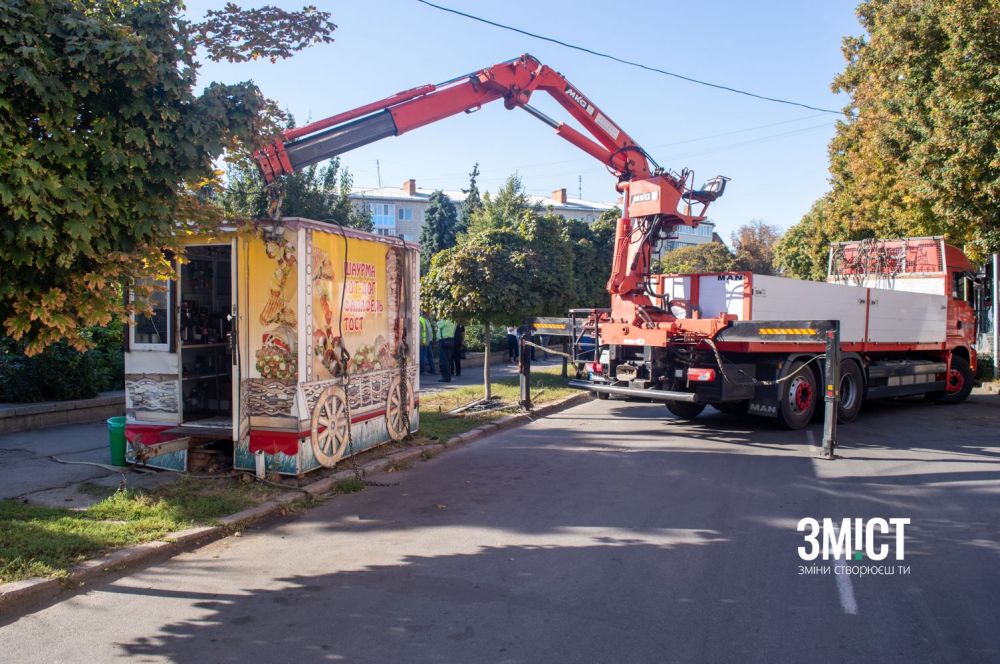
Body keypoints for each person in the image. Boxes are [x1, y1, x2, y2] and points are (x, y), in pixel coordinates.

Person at [436, 317, 457, 382]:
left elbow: (438, 324)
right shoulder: (453, 320)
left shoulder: (446, 320)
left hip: (444, 341)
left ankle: (445, 378)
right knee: (448, 360)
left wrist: (440, 319)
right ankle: (448, 377)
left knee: (443, 361)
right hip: (451, 341)